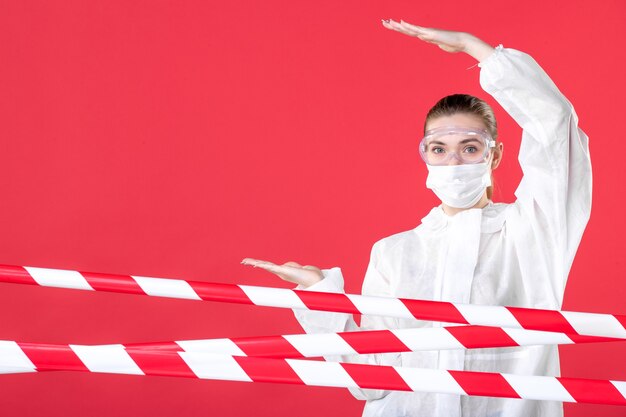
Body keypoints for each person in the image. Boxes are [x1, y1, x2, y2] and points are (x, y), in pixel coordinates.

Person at [242, 18, 592, 417]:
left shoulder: (533, 231)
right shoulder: (395, 252)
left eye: (471, 148)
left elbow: (556, 125)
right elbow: (371, 383)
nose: (454, 160)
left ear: (494, 156)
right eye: (439, 149)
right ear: (424, 155)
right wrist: (322, 296)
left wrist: (476, 49)